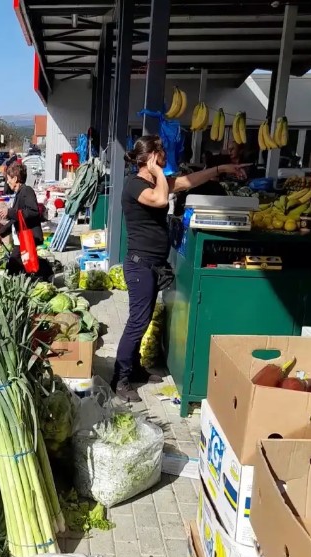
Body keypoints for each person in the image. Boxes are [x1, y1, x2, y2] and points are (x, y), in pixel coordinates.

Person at [112, 135, 249, 403]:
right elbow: (162, 200)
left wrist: (220, 170)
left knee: (144, 318)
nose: (165, 153)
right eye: (160, 150)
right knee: (137, 322)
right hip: (140, 266)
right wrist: (158, 172)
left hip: (151, 265)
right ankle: (120, 378)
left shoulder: (154, 182)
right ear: (150, 157)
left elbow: (190, 181)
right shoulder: (134, 185)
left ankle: (136, 368)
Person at [0, 162, 53, 281]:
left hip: (29, 236)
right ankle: (43, 273)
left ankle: (45, 271)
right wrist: (1, 233)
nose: (7, 182)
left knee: (14, 263)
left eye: (8, 179)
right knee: (24, 262)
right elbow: (16, 219)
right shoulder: (19, 194)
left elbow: (33, 212)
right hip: (23, 237)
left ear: (15, 179)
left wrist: (10, 212)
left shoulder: (27, 191)